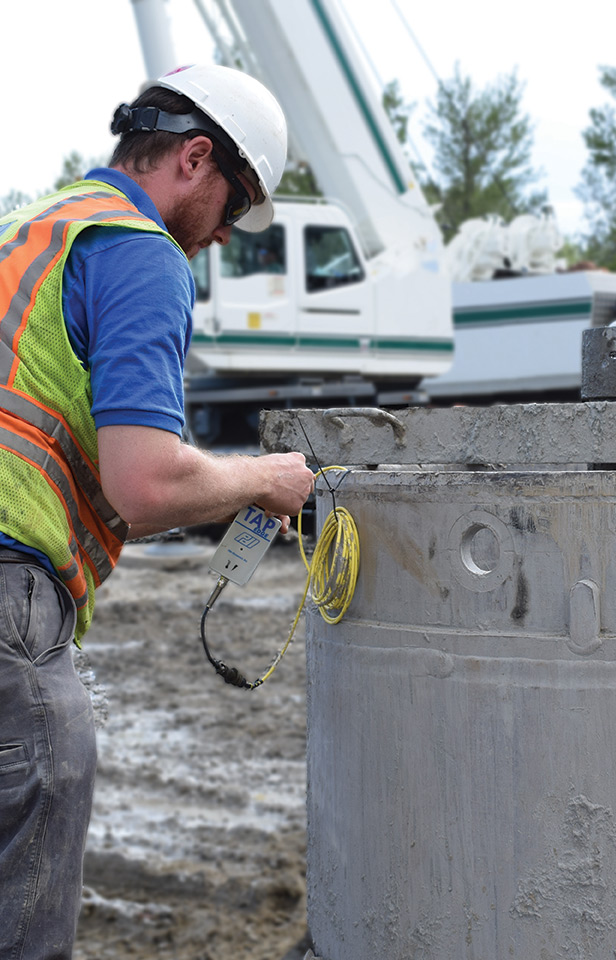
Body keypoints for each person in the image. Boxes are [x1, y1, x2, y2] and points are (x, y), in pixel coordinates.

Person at [0, 64, 315, 960]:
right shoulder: (139, 249)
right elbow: (144, 487)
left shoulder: (30, 229)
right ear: (195, 157)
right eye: (233, 207)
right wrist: (259, 481)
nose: (218, 237)